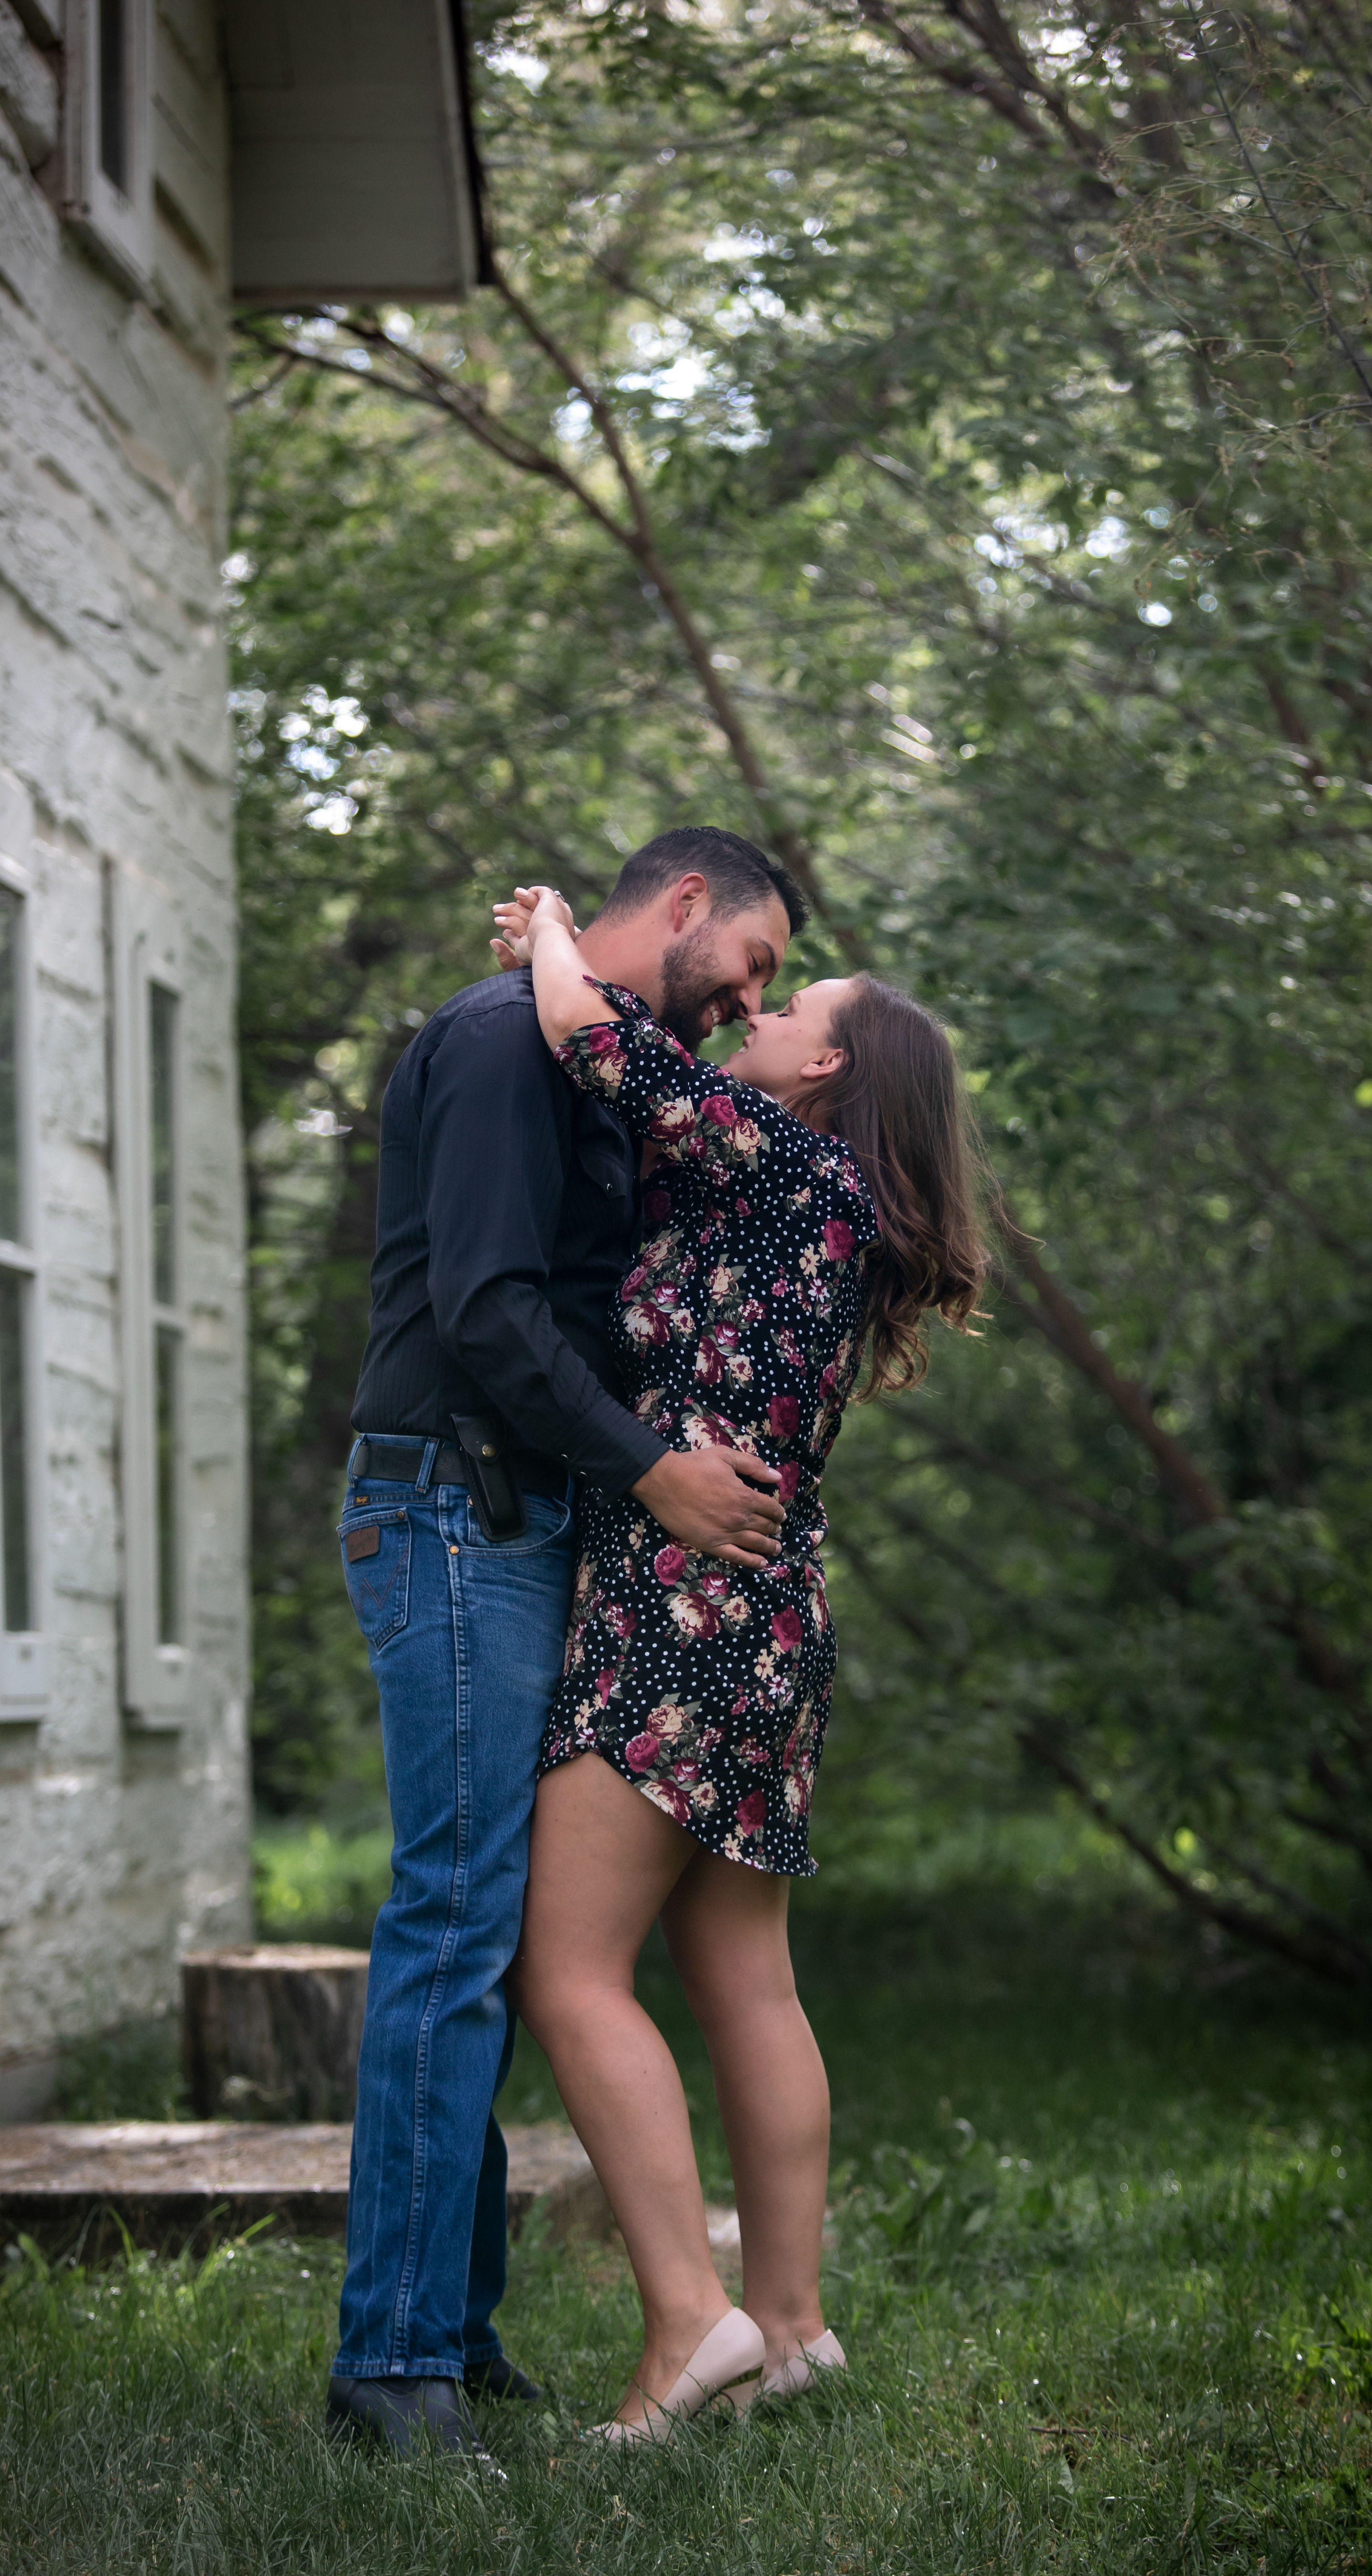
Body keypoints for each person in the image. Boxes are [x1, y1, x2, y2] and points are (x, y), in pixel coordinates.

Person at [327, 830, 812, 2464]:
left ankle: (449, 2342)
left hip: (520, 1525)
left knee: (480, 1934)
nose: (750, 995)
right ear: (685, 905)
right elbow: (483, 1311)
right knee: (455, 1919)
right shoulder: (491, 1043)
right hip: (452, 1508)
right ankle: (392, 2369)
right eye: (749, 960)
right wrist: (652, 1466)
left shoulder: (595, 1064)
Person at [493, 883, 990, 2441]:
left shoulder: (777, 1159)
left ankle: (685, 2332)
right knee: (742, 1976)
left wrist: (555, 923)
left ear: (827, 1070)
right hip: (775, 1612)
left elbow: (586, 1032)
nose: (758, 1018)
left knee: (566, 1969)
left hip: (677, 1599)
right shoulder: (821, 1204)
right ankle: (790, 2328)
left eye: (789, 1009)